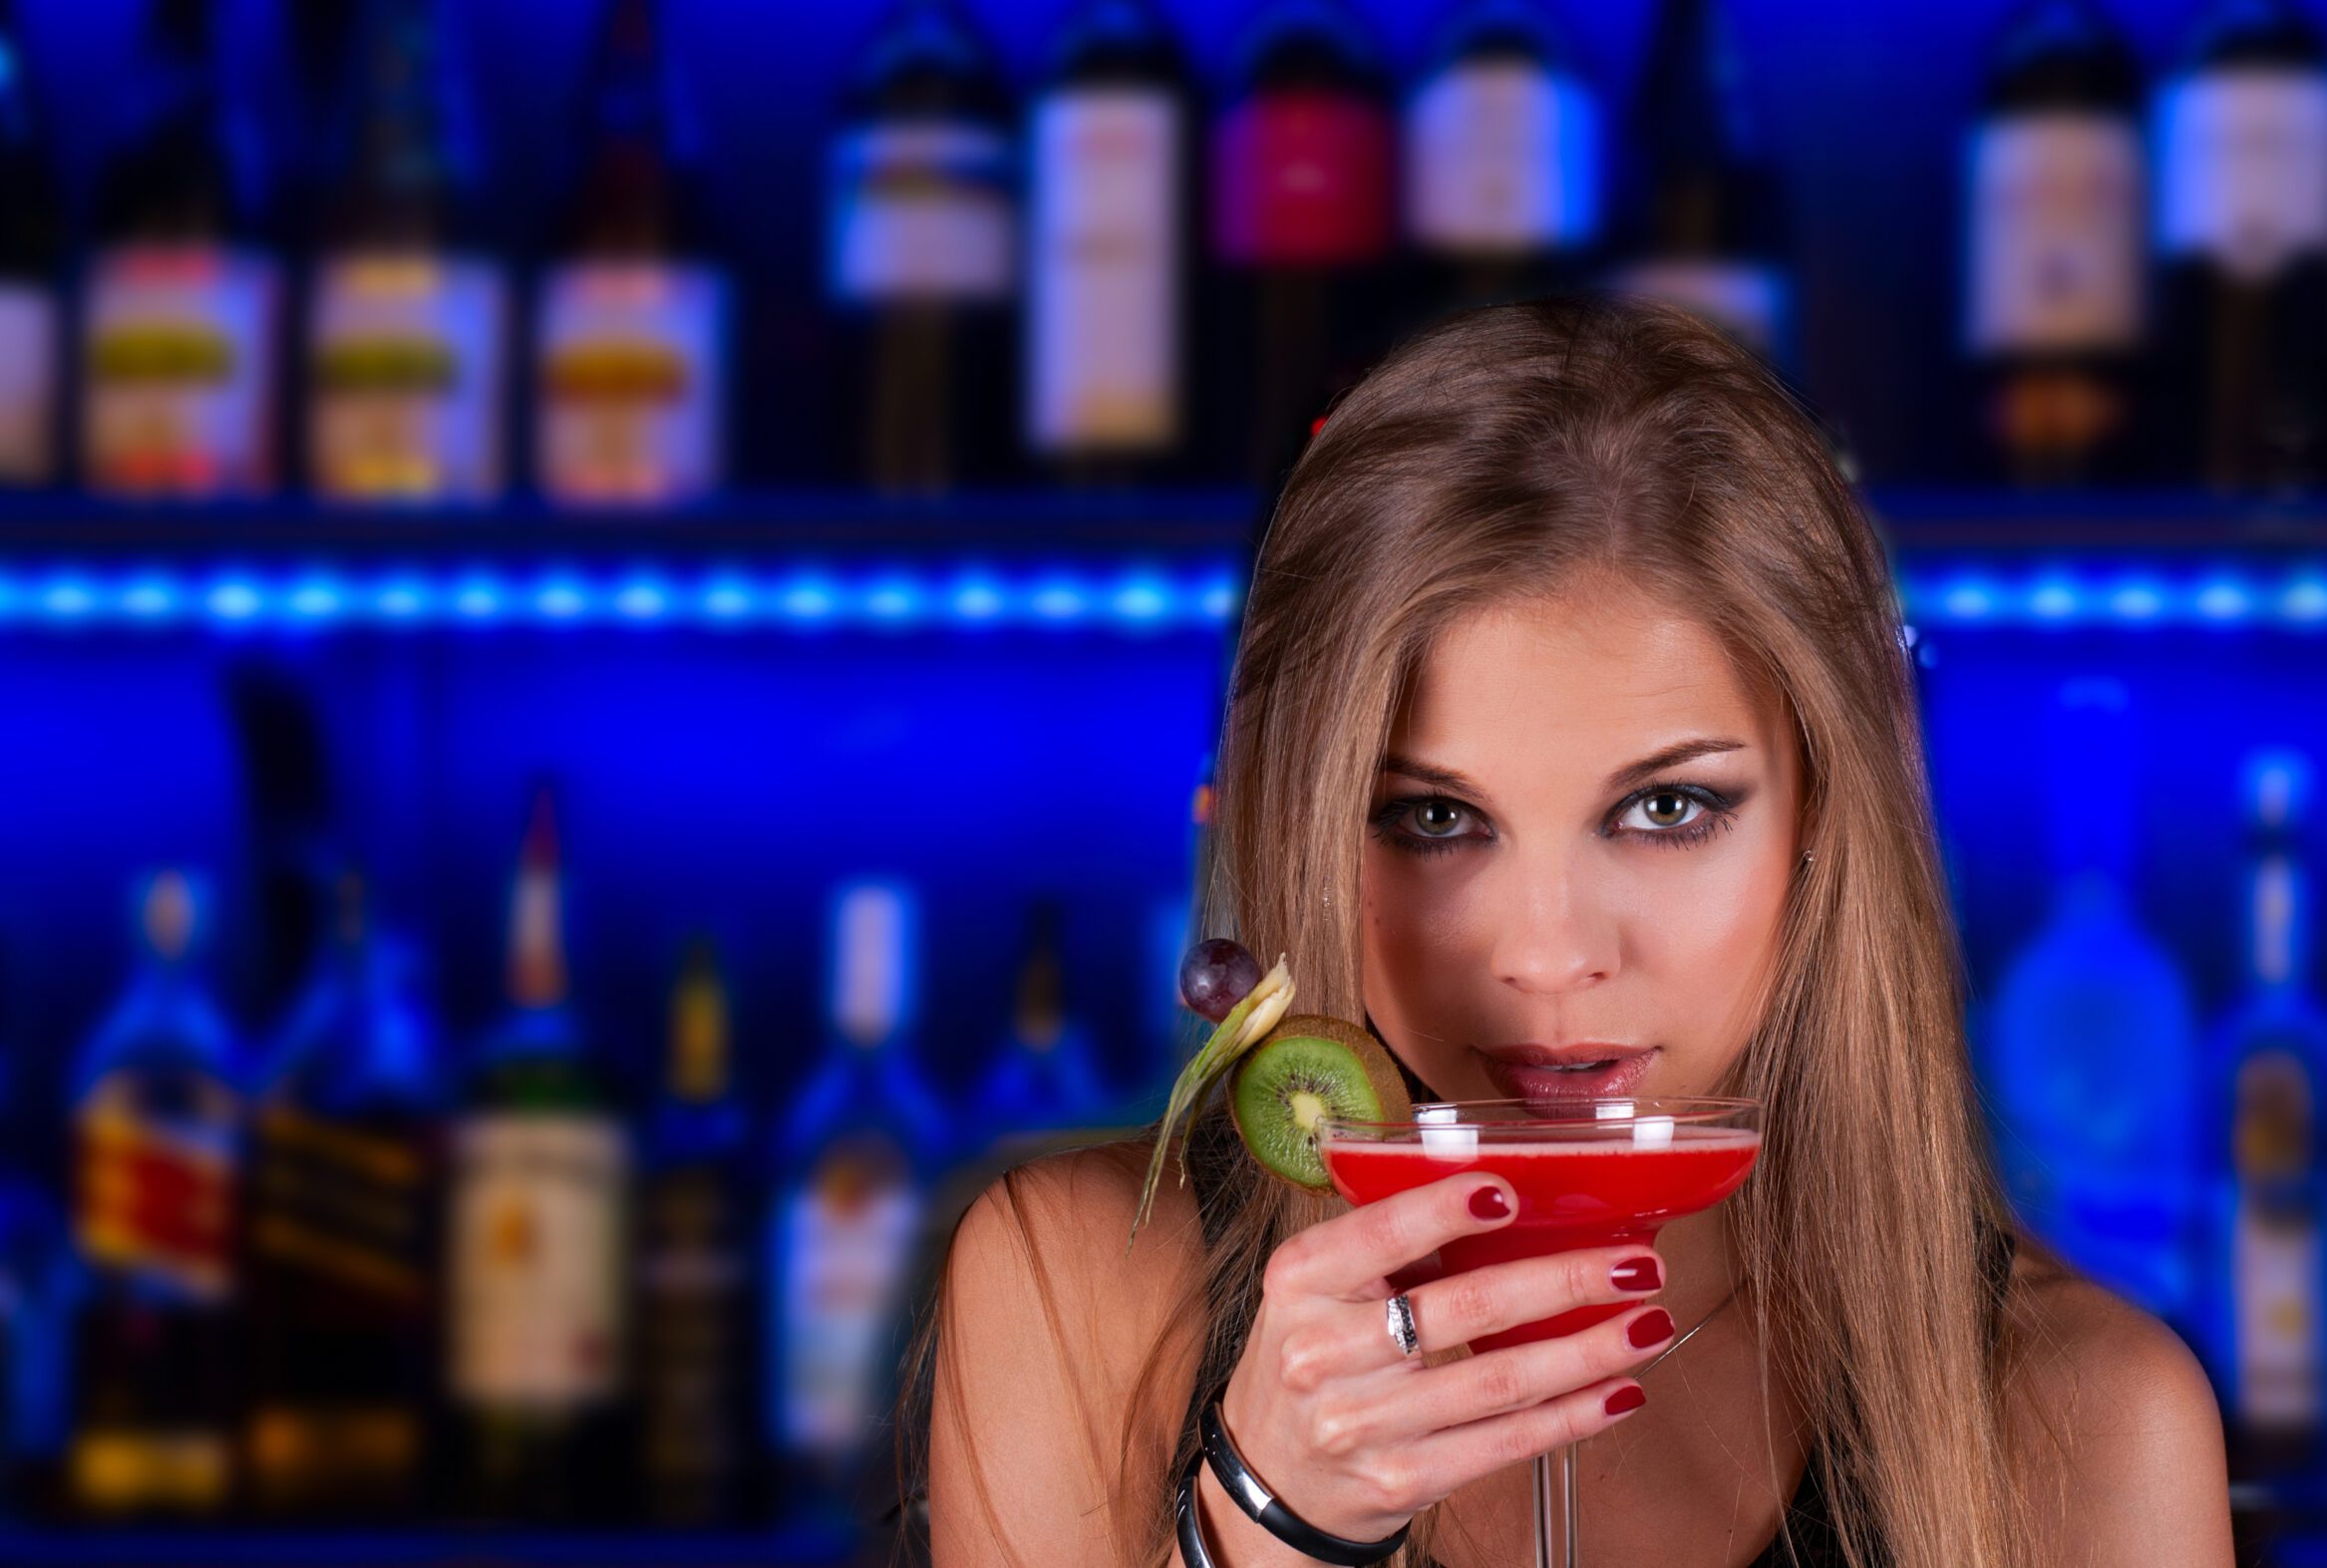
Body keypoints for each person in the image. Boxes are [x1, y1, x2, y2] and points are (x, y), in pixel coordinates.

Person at [898, 295, 2234, 1567]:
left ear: (1827, 806)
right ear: (1307, 820)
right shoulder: (1082, 1299)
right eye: (1430, 818)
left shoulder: (2096, 1422)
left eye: (1667, 807)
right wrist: (1261, 1526)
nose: (1544, 954)